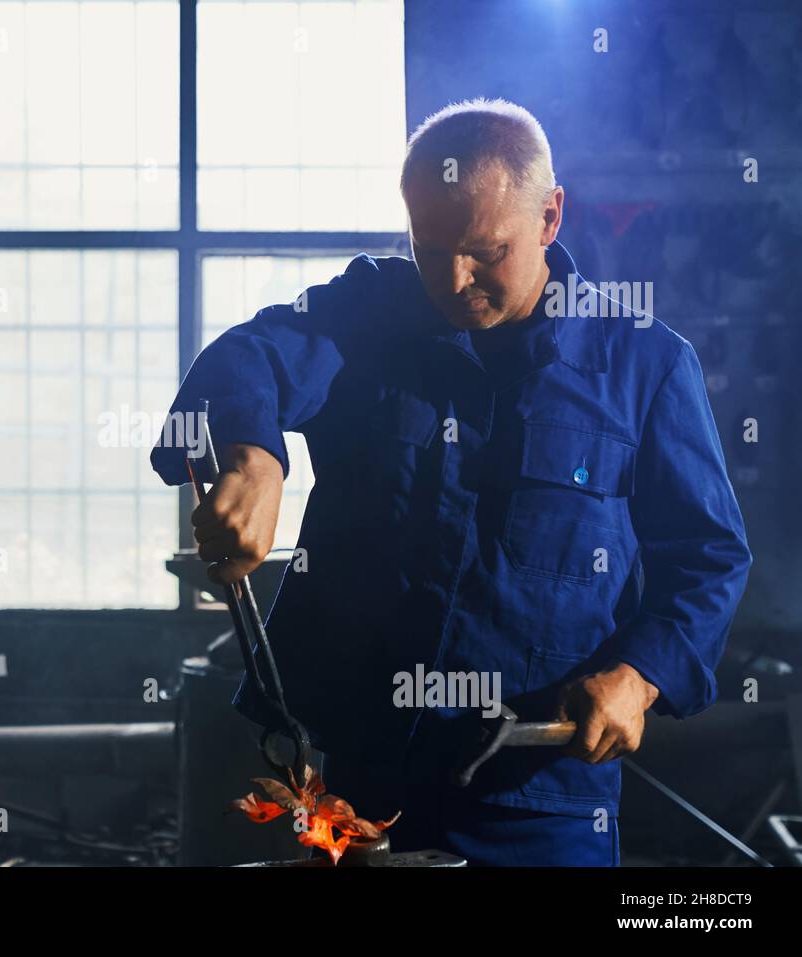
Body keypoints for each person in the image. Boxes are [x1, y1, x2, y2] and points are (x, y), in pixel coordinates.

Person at [150, 98, 751, 866]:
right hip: (361, 792)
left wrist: (639, 677)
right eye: (430, 249)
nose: (454, 278)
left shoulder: (645, 367)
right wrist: (253, 456)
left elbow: (708, 560)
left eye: (484, 250)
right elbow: (246, 359)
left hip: (538, 802)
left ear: (550, 216)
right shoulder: (370, 318)